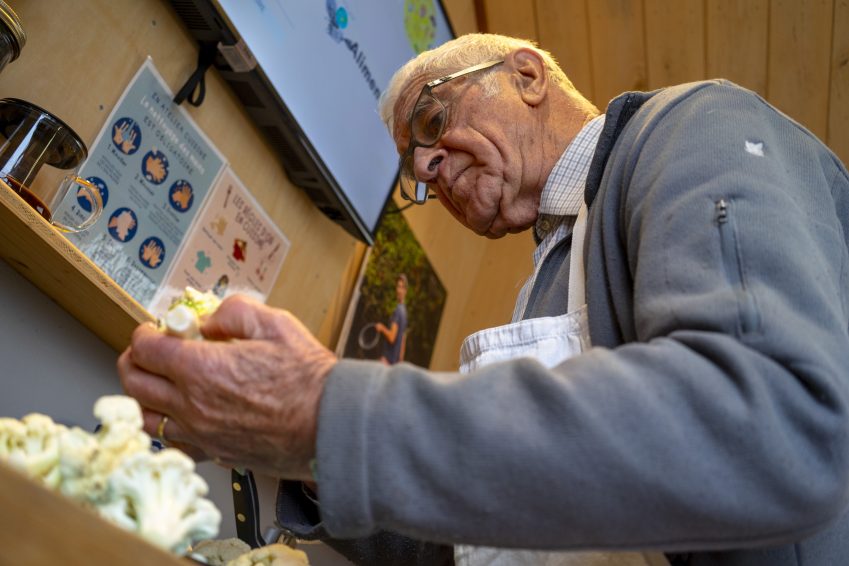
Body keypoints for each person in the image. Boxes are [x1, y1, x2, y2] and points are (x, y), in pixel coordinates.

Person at [118, 33, 849, 566]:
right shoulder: (545, 286)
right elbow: (480, 542)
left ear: (526, 73)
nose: (430, 168)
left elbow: (772, 425)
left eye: (432, 123)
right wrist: (305, 454)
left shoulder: (691, 126)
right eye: (416, 174)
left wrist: (323, 411)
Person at [376, 273, 408, 365]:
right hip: (394, 364)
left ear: (405, 290)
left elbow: (391, 337)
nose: (398, 290)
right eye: (398, 287)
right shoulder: (405, 312)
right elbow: (403, 340)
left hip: (386, 360)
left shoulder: (398, 311)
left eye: (401, 287)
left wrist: (381, 328)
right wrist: (399, 363)